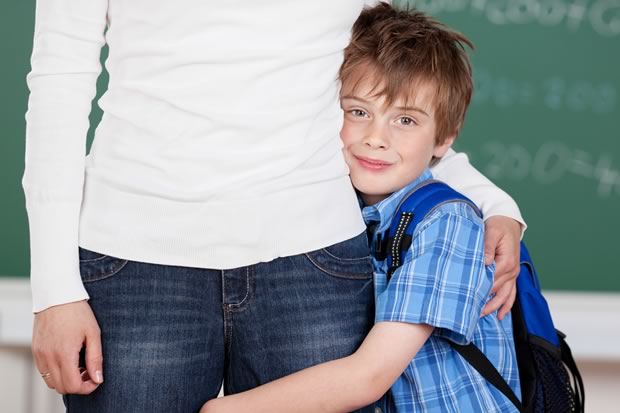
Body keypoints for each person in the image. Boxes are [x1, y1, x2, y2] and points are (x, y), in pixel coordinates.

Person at [24, 1, 524, 412]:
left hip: (315, 258)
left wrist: (495, 203)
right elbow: (58, 80)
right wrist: (54, 291)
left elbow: (396, 91)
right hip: (134, 257)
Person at [201, 3, 520, 412]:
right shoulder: (338, 205)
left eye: (405, 121)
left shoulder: (446, 225)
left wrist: (224, 409)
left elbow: (369, 376)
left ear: (444, 139)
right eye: (358, 112)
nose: (376, 137)